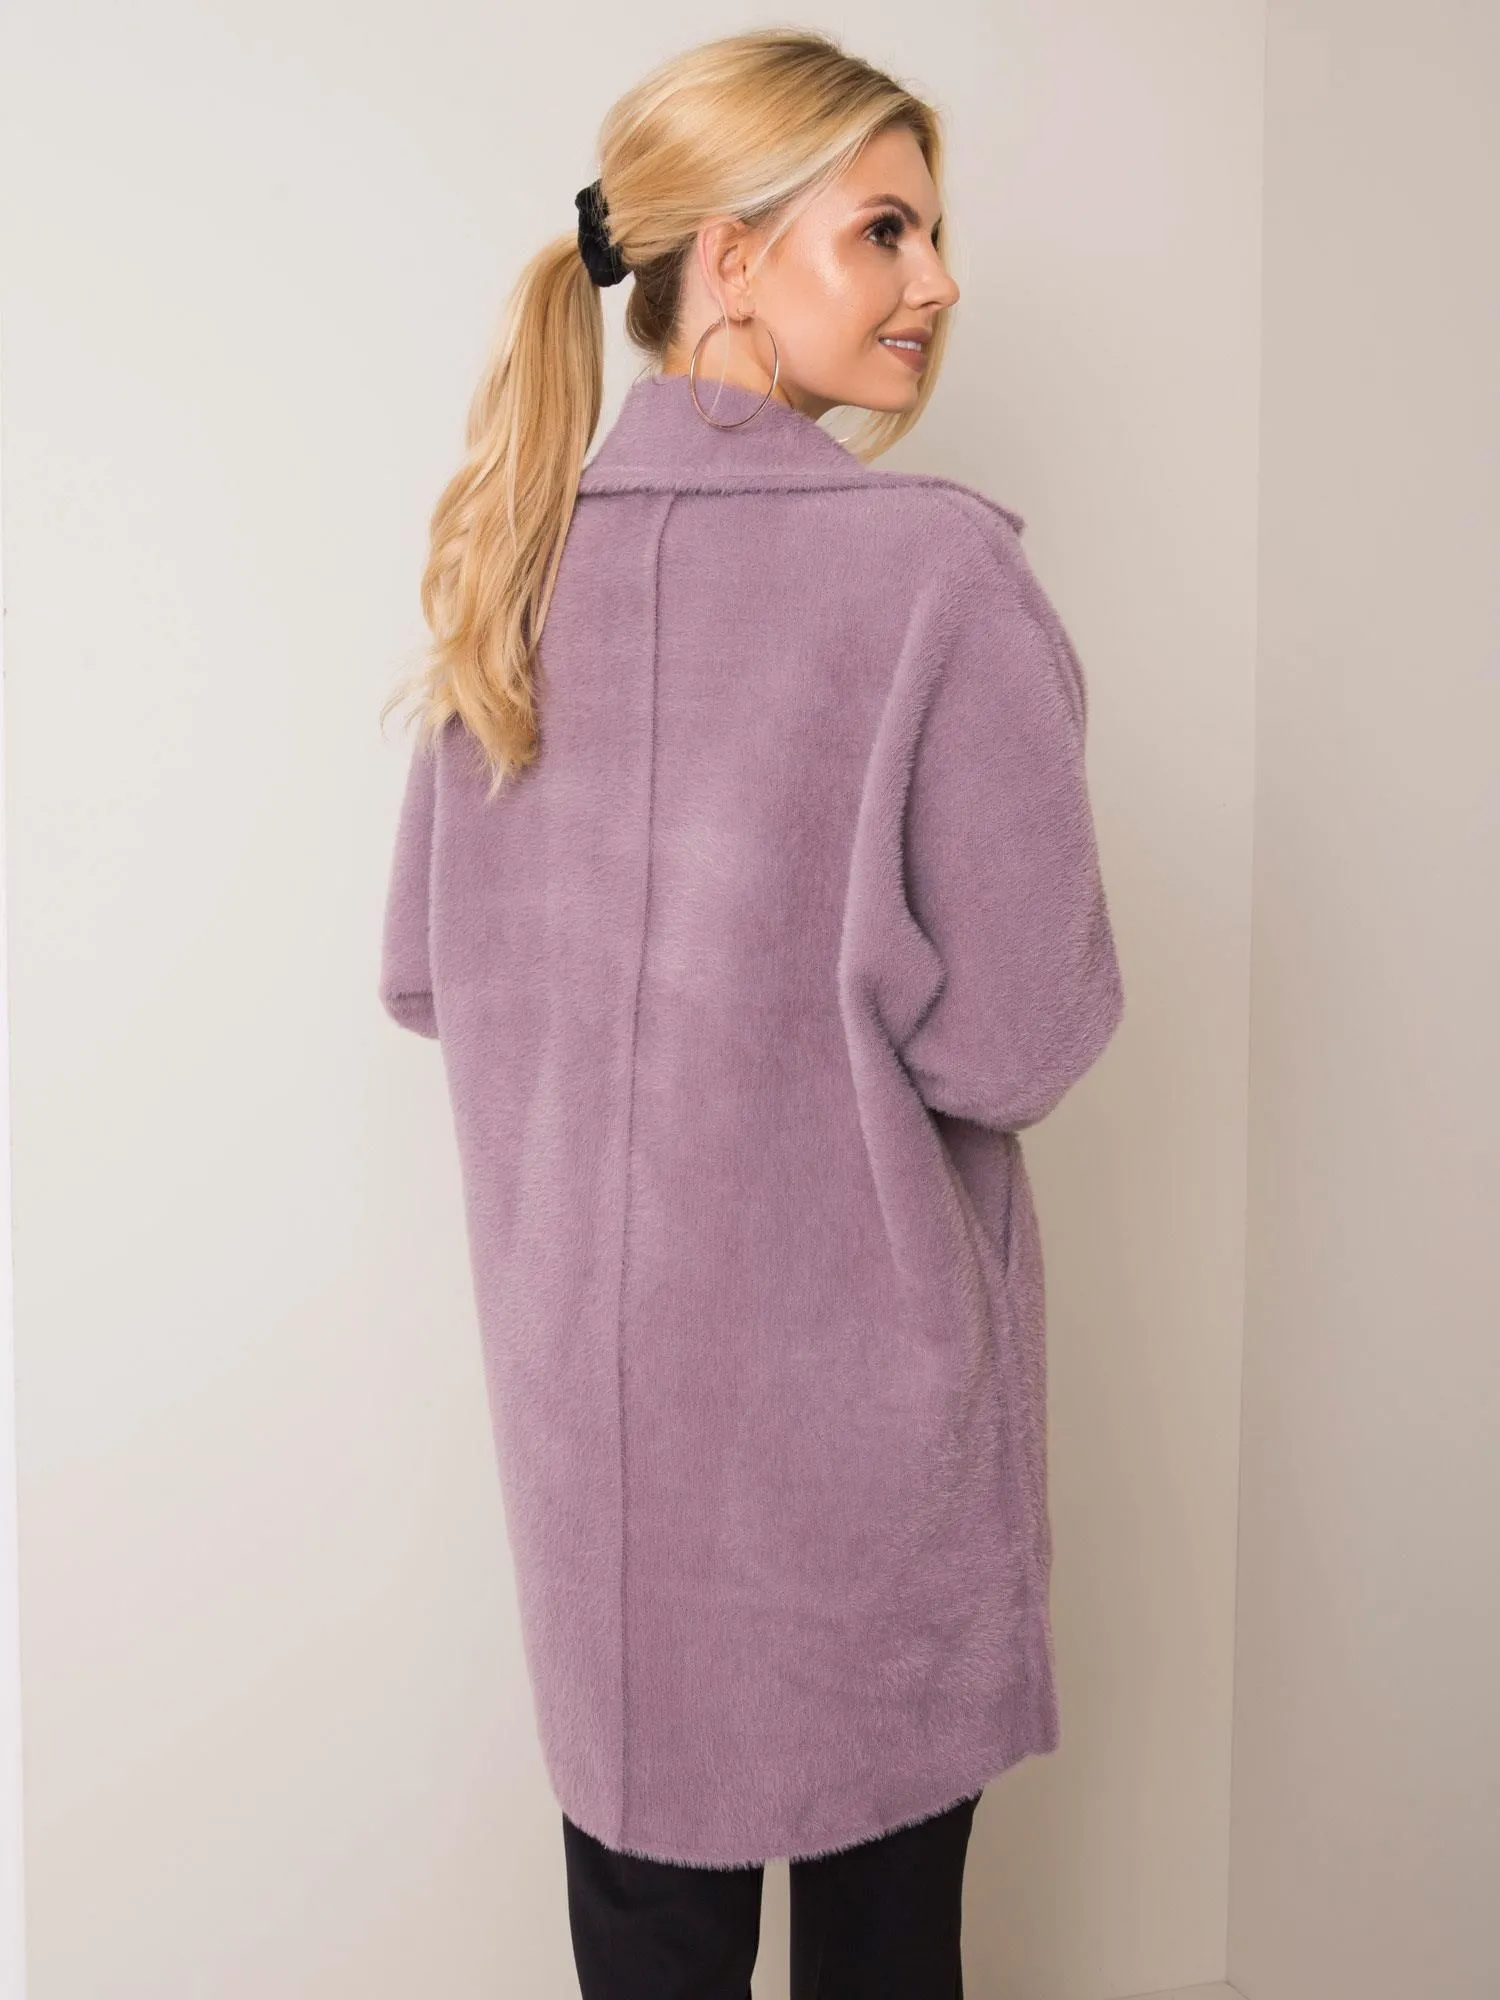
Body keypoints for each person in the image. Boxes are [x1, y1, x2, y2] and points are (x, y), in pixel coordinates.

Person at [377, 27, 1124, 1999]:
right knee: (886, 1956)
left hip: (596, 1456)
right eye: (886, 230)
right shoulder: (935, 572)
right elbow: (1023, 1041)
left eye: (932, 232)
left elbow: (429, 975)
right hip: (866, 1437)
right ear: (728, 257)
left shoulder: (511, 568)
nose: (938, 279)